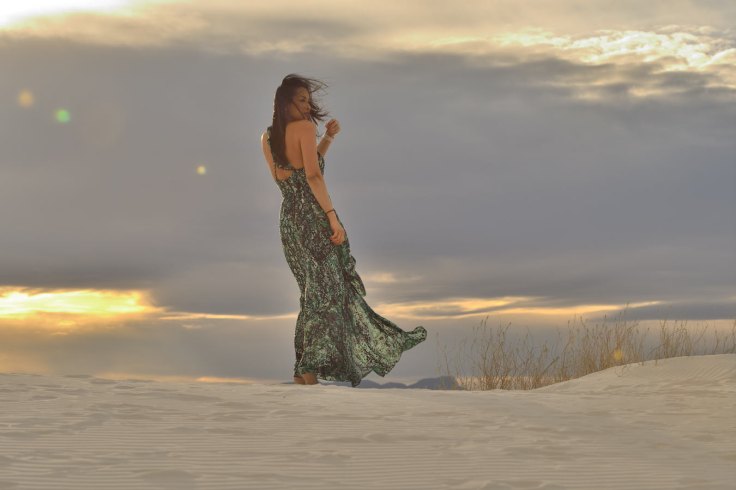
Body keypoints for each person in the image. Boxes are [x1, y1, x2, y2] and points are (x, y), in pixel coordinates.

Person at [260, 74, 427, 387]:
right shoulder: (304, 128)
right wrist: (332, 217)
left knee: (313, 293)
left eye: (308, 100)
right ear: (284, 103)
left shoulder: (267, 138)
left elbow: (292, 174)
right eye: (301, 100)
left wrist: (327, 139)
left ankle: (304, 371)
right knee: (328, 294)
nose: (307, 106)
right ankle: (309, 369)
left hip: (290, 222)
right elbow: (312, 176)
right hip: (313, 218)